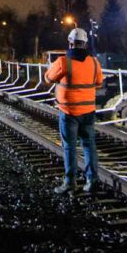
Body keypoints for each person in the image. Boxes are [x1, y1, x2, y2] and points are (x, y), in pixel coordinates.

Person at [44, 27, 103, 194]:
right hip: (88, 111)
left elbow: (48, 78)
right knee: (89, 145)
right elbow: (99, 82)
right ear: (84, 44)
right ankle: (92, 180)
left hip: (69, 112)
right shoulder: (93, 62)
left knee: (69, 147)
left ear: (70, 43)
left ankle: (70, 182)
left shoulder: (63, 62)